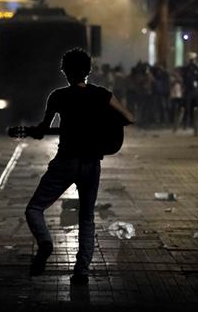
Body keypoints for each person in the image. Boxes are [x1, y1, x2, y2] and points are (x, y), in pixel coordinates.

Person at [25, 48, 135, 285]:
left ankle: (45, 242)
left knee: (34, 209)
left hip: (65, 161)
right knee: (86, 217)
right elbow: (129, 118)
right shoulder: (102, 95)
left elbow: (44, 128)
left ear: (65, 71)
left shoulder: (57, 96)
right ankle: (81, 271)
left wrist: (35, 132)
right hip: (92, 163)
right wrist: (103, 124)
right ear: (89, 70)